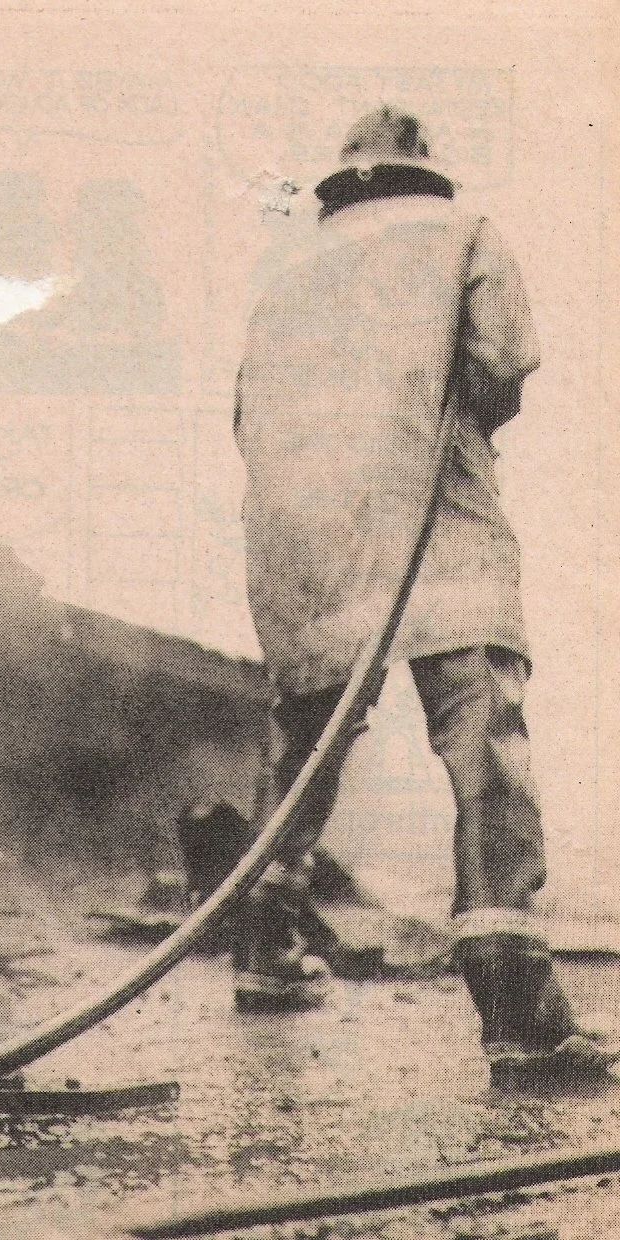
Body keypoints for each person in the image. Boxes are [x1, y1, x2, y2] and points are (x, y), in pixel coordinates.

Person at [232, 106, 615, 1080]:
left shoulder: (283, 279)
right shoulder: (465, 236)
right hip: (430, 522)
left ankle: (264, 954)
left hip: (302, 545)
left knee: (307, 744)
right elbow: (500, 370)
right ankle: (519, 1016)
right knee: (484, 741)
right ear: (422, 173)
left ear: (346, 182)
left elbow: (245, 413)